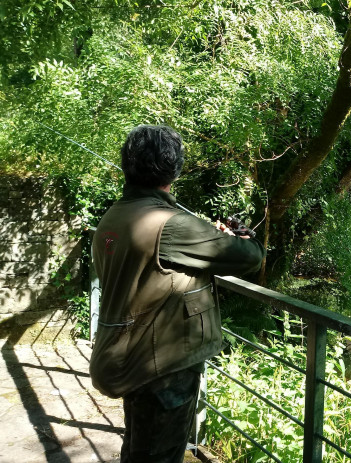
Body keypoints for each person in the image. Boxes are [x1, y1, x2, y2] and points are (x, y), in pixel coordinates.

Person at [90, 125, 264, 463]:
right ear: (175, 169)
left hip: (129, 358)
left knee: (139, 448)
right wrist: (241, 231)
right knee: (160, 455)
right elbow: (251, 256)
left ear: (128, 166)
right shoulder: (172, 225)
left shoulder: (113, 217)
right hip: (162, 370)